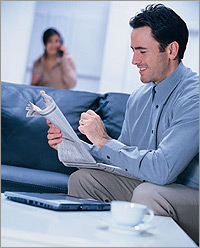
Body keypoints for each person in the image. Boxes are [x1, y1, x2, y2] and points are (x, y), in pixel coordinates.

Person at [46, 4, 199, 243]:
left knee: (148, 194)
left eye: (142, 51)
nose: (134, 60)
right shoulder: (138, 98)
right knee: (84, 180)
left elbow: (161, 171)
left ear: (171, 50)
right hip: (151, 186)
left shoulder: (194, 97)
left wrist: (105, 140)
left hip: (192, 195)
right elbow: (123, 162)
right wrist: (74, 145)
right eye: (133, 50)